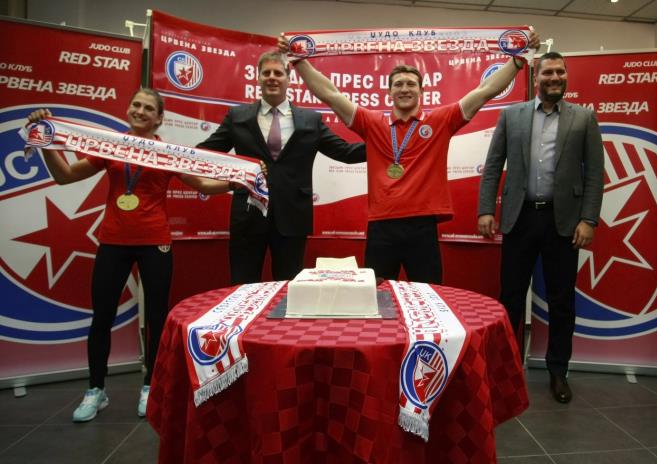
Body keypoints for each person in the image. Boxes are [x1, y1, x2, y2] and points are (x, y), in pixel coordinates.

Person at [27, 88, 233, 422]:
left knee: (157, 317)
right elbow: (64, 177)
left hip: (155, 242)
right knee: (102, 317)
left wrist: (239, 183)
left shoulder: (167, 153)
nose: (140, 111)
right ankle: (96, 390)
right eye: (136, 104)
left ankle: (151, 386)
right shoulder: (111, 146)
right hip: (113, 241)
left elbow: (203, 185)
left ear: (159, 118)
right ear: (128, 109)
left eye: (148, 108)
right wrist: (47, 144)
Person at [278, 30, 540, 284]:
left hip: (422, 227)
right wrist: (298, 61)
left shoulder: (441, 120)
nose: (405, 89)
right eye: (398, 84)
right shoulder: (372, 122)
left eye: (411, 84)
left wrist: (518, 61)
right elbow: (330, 94)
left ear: (421, 91)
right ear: (389, 92)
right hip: (382, 227)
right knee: (378, 299)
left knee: (427, 295)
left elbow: (484, 91)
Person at [477, 51, 604, 403]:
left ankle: (558, 372)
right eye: (548, 72)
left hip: (563, 222)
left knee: (561, 301)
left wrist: (588, 219)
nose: (555, 78)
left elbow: (595, 173)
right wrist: (486, 210)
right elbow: (493, 165)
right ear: (536, 77)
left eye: (560, 72)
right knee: (510, 298)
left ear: (566, 76)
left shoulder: (583, 118)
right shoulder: (511, 115)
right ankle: (506, 371)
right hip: (519, 219)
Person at [196, 51, 366, 284]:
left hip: (293, 218)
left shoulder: (311, 120)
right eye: (266, 73)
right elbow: (205, 154)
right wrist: (229, 177)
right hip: (248, 216)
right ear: (258, 78)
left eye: (278, 73)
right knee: (243, 286)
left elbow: (345, 152)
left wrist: (386, 144)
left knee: (288, 290)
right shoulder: (237, 117)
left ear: (288, 78)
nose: (272, 77)